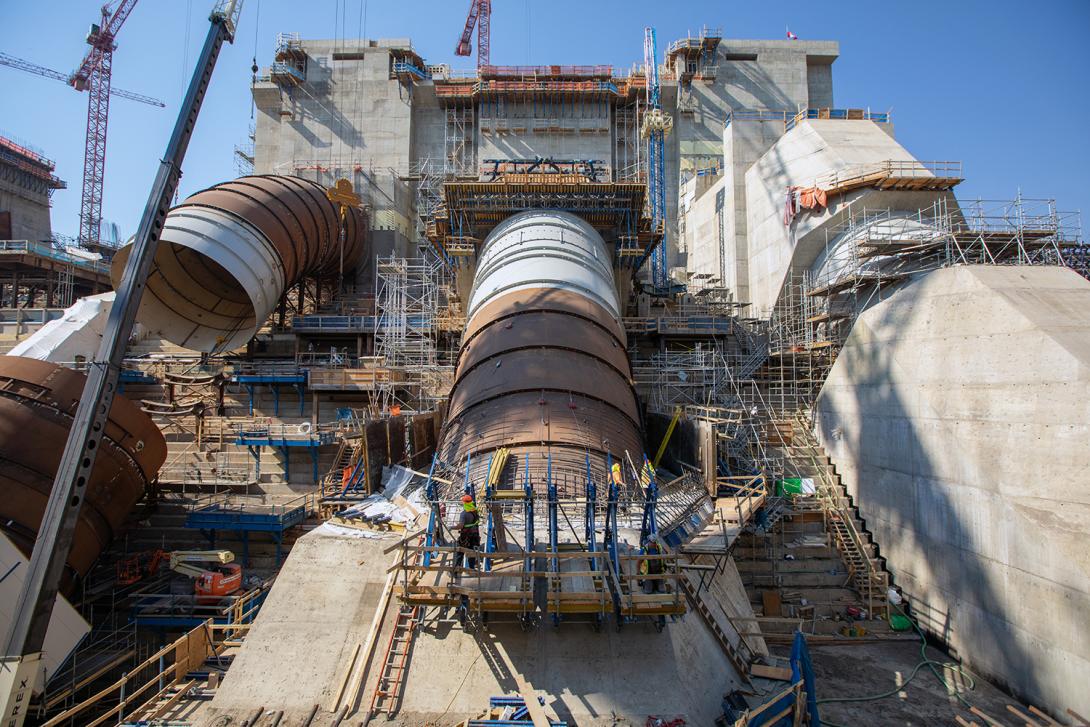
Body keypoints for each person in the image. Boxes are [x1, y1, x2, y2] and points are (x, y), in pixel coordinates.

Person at [453, 494, 481, 580]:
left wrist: (452, 527)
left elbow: (461, 525)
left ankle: (455, 571)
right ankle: (471, 570)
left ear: (464, 503)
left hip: (465, 536)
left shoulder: (464, 514)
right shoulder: (475, 511)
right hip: (474, 535)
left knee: (460, 553)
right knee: (472, 553)